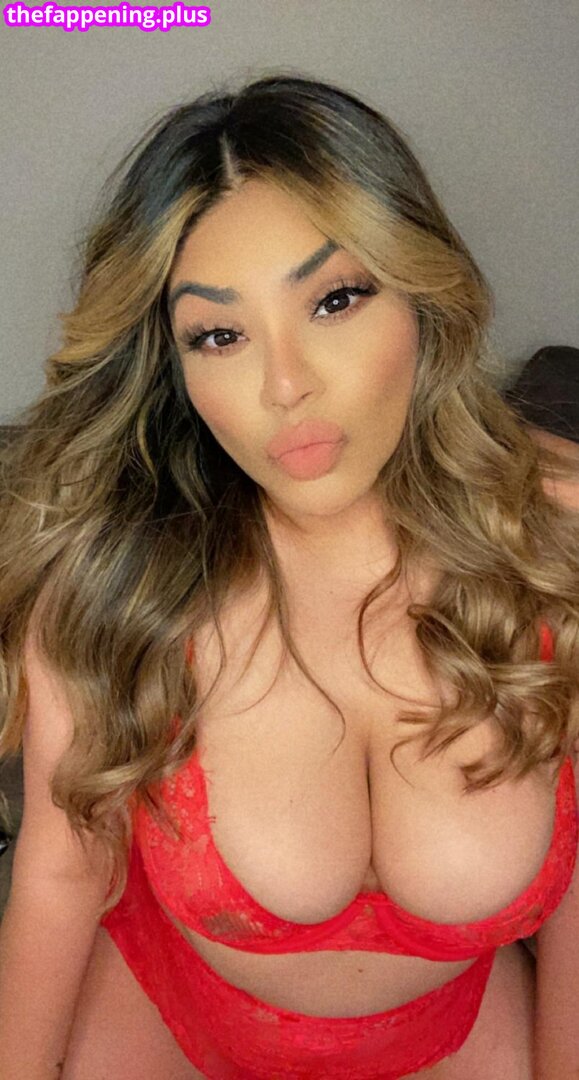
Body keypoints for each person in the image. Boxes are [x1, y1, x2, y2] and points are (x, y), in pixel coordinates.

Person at [0, 74, 578, 1080]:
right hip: (164, 1023)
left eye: (335, 299)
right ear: (174, 368)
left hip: (454, 1038)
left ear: (421, 293)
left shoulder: (554, 542)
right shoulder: (116, 577)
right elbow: (59, 875)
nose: (284, 384)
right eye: (218, 335)